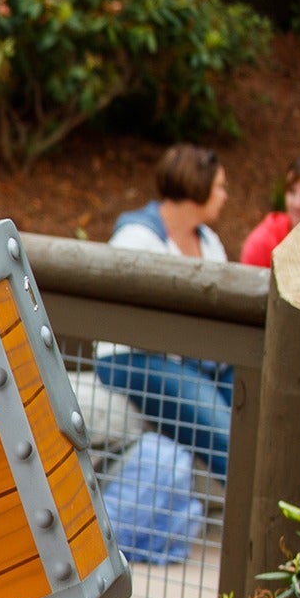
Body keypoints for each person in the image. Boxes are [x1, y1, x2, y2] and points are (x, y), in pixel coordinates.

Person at [97, 144, 234, 477]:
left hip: (200, 358)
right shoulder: (137, 237)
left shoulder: (209, 241)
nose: (225, 196)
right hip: (133, 358)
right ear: (197, 185)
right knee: (222, 431)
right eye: (220, 187)